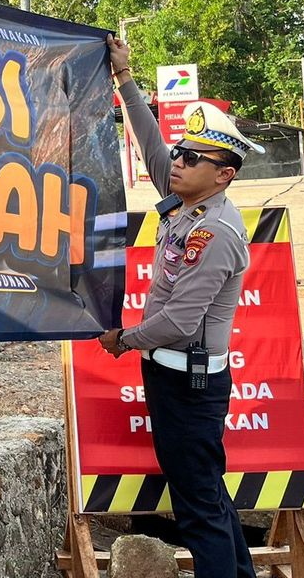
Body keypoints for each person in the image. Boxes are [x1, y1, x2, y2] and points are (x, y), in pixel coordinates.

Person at [100, 33, 262, 578]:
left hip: (188, 384)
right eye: (181, 153)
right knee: (208, 495)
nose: (178, 162)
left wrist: (122, 340)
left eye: (193, 158)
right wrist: (125, 77)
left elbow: (178, 321)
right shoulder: (186, 205)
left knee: (197, 510)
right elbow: (151, 144)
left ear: (223, 174)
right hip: (175, 376)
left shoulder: (214, 231)